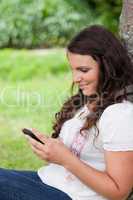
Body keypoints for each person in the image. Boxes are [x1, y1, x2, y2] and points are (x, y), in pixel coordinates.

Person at [0, 25, 133, 200]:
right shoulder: (88, 103)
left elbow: (119, 191)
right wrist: (51, 150)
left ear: (108, 67)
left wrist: (65, 159)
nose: (75, 78)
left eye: (83, 70)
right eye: (73, 69)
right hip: (49, 182)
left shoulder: (120, 115)